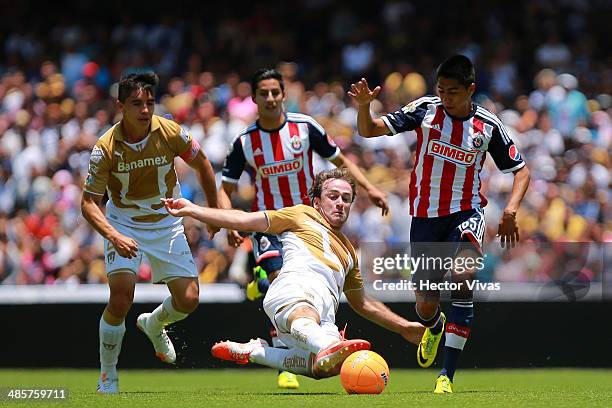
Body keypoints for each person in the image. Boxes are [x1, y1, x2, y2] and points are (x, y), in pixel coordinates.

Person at [348, 55, 530, 393]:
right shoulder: (425, 110)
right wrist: (363, 107)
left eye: (453, 92)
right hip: (425, 218)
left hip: (467, 212)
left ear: (471, 90)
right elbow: (368, 130)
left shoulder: (488, 126)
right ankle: (434, 325)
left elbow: (521, 170)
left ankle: (445, 375)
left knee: (462, 277)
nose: (445, 98)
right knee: (426, 304)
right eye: (442, 90)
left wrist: (510, 211)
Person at [163, 168, 424, 379]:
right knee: (308, 321)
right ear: (317, 201)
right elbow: (244, 220)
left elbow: (363, 303)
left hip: (322, 317)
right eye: (333, 196)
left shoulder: (350, 252)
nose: (340, 203)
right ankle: (324, 345)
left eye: (346, 198)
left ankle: (257, 352)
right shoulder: (301, 215)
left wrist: (403, 327)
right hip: (292, 292)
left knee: (327, 368)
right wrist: (192, 209)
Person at [219, 68, 389, 388]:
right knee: (279, 281)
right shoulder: (245, 142)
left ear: (284, 95)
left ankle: (278, 344)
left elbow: (341, 161)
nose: (270, 98)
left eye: (275, 92)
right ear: (254, 98)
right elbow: (225, 186)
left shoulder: (305, 128)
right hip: (270, 226)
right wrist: (226, 218)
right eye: (263, 93)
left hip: (307, 224)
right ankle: (290, 352)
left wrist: (369, 188)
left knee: (295, 287)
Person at [81, 72, 218, 394]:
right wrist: (114, 236)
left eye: (150, 103)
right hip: (123, 223)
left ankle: (154, 324)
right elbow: (88, 204)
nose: (145, 110)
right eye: (136, 104)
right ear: (121, 106)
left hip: (165, 222)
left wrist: (212, 213)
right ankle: (108, 375)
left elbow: (205, 165)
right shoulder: (105, 148)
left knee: (189, 299)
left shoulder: (171, 132)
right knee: (121, 297)